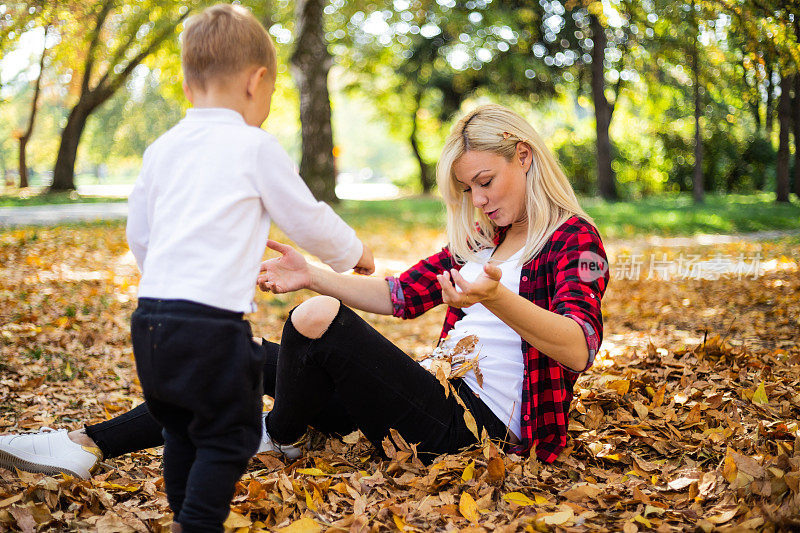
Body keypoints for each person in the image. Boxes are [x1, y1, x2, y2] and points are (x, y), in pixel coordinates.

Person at [1, 103, 607, 485]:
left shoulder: (572, 240)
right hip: (417, 404)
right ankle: (84, 445)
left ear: (523, 156)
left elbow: (577, 349)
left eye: (486, 181)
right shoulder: (481, 238)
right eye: (469, 190)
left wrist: (494, 299)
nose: (479, 200)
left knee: (318, 322)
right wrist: (313, 271)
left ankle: (279, 432)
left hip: (479, 432)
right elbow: (398, 294)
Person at [85, 4, 372, 532]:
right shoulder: (254, 147)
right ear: (256, 82)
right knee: (229, 435)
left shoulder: (163, 148)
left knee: (179, 427)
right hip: (213, 330)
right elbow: (306, 218)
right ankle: (197, 524)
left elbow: (140, 233)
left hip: (151, 323)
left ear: (189, 85)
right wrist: (352, 255)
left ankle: (182, 513)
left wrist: (163, 281)